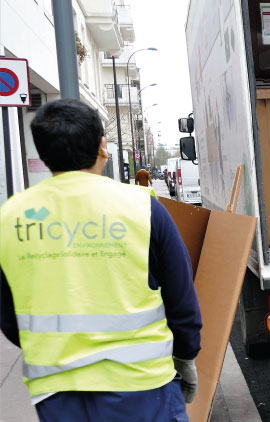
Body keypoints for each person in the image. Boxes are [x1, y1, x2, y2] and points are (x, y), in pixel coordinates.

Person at [0, 99, 202, 422]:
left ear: (42, 153)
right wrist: (186, 356)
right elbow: (181, 297)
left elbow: (8, 316)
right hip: (144, 388)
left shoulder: (10, 218)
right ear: (102, 147)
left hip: (57, 394)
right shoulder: (142, 208)